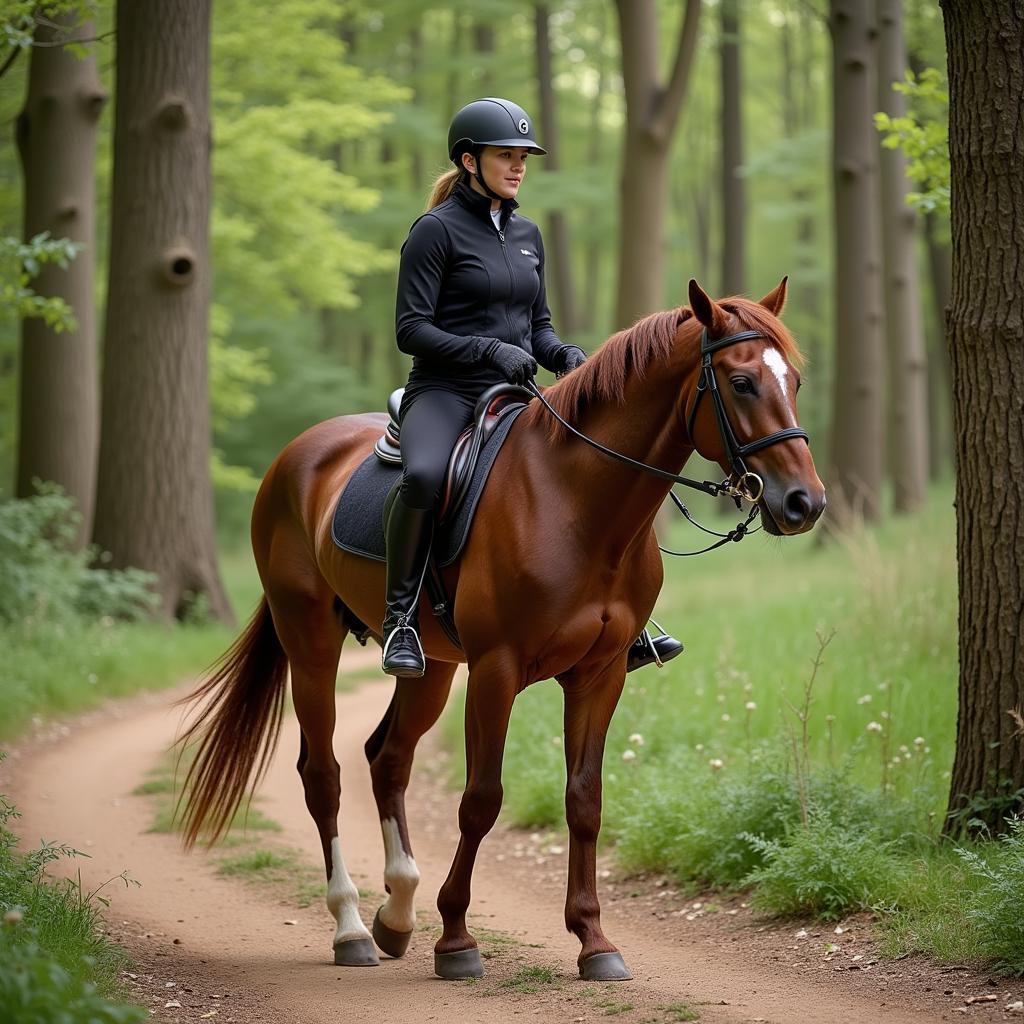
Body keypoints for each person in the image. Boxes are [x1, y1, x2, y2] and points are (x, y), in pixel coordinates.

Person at [383, 96, 683, 678]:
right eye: (506, 155)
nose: (518, 166)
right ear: (469, 161)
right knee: (422, 476)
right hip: (445, 391)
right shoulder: (434, 232)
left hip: (515, 394)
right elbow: (411, 330)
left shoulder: (527, 233)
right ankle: (399, 619)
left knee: (594, 466)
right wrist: (489, 350)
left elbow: (537, 327)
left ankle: (625, 615)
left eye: (524, 156)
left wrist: (569, 358)